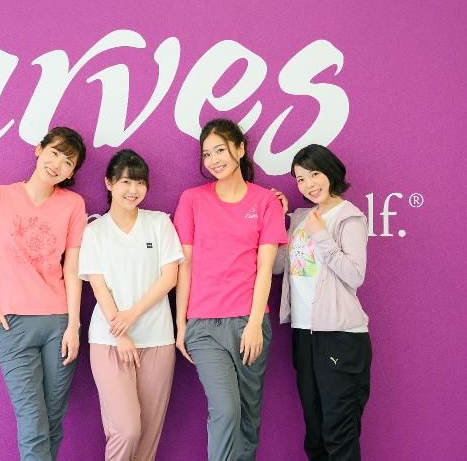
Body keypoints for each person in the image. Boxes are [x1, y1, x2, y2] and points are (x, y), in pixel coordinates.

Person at [173, 118, 287, 461]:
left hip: (249, 324)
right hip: (204, 326)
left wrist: (254, 325)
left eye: (220, 150)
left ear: (240, 149)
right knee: (226, 410)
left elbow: (265, 269)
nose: (213, 160)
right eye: (207, 154)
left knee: (249, 417)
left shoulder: (265, 201)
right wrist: (181, 324)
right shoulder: (192, 199)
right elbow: (185, 266)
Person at [0, 127, 87, 461]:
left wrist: (73, 325)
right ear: (39, 149)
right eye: (54, 153)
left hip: (58, 324)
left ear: (71, 173)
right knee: (33, 424)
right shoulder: (0, 197)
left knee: (52, 421)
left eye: (67, 162)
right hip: (13, 326)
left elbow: (72, 269)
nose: (57, 164)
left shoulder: (73, 205)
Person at [79, 149, 183, 461]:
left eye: (139, 182)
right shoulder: (94, 231)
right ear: (109, 183)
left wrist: (133, 315)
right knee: (126, 430)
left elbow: (170, 277)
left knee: (148, 435)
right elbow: (98, 286)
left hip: (157, 339)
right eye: (126, 181)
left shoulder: (159, 223)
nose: (133, 190)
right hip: (109, 339)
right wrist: (121, 332)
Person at [271, 144, 371, 461]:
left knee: (339, 435)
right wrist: (278, 221)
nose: (308, 184)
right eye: (301, 179)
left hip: (340, 336)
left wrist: (321, 235)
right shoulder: (301, 218)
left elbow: (355, 274)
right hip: (304, 334)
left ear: (329, 171)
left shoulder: (349, 217)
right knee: (315, 434)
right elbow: (278, 266)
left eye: (314, 174)